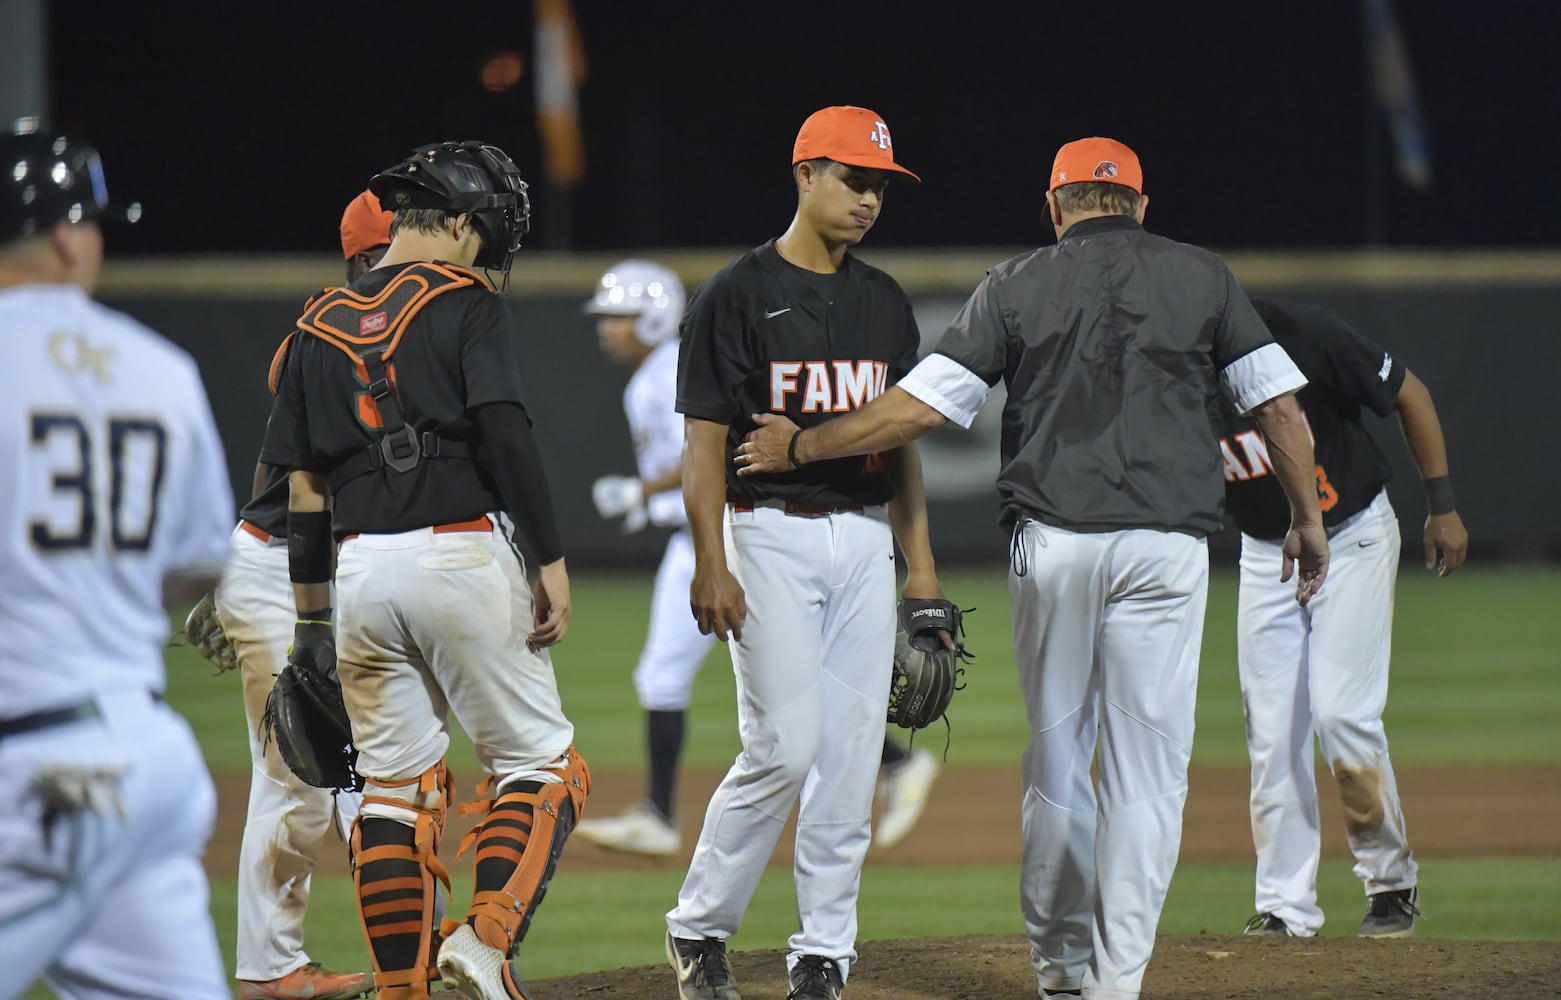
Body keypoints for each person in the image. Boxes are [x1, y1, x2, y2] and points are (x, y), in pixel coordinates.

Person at [737, 137, 1331, 1000]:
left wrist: (803, 442)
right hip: (1167, 547)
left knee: (1058, 761)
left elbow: (918, 409)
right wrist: (1307, 519)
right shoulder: (1203, 277)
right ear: (1140, 206)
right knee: (1148, 776)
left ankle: (1056, 970)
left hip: (1053, 544)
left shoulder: (1015, 282)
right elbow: (1278, 408)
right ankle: (1113, 985)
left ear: (1055, 208)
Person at [263, 140, 589, 1000]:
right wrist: (550, 560)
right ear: (452, 224)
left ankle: (402, 989)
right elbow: (505, 432)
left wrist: (310, 627)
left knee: (393, 794)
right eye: (485, 234)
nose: (488, 253)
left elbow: (304, 495)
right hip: (461, 554)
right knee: (540, 767)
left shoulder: (311, 328)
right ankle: (485, 941)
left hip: (359, 572)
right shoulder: (462, 300)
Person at [664, 105, 950, 1000]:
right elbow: (704, 446)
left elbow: (899, 442)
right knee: (784, 747)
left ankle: (824, 951)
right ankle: (699, 928)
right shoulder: (734, 295)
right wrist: (710, 558)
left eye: (879, 186)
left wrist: (923, 568)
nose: (869, 199)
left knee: (854, 753)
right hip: (767, 533)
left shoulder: (883, 299)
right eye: (853, 179)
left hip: (864, 539)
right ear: (804, 175)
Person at [575, 260, 940, 860]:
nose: (605, 329)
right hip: (719, 533)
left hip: (728, 537)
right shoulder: (648, 374)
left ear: (652, 315)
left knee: (695, 681)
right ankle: (896, 764)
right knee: (792, 682)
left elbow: (711, 452)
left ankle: (661, 816)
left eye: (617, 316)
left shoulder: (660, 372)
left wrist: (646, 496)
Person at [0, 121, 235, 998]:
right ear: (66, 235)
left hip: (33, 768)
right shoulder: (161, 369)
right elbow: (195, 570)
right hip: (147, 767)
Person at [1225, 297, 1467, 941]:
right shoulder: (1179, 360)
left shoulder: (1305, 334)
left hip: (1353, 536)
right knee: (1274, 734)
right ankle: (1284, 906)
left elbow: (1409, 394)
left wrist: (1441, 505)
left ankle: (1391, 882)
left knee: (1341, 715)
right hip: (1263, 553)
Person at [204, 190, 393, 1000]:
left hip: (294, 562)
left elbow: (271, 464)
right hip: (283, 568)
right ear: (366, 256)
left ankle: (404, 938)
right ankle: (270, 969)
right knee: (298, 777)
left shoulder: (372, 324)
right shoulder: (333, 329)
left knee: (361, 766)